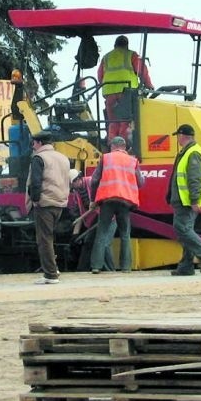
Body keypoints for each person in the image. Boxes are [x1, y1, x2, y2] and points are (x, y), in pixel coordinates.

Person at [166, 124, 201, 276]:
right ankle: (186, 266)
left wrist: (194, 200)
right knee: (185, 230)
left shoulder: (193, 153)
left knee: (182, 228)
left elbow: (194, 179)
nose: (177, 139)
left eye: (178, 136)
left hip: (186, 200)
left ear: (183, 135)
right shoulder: (187, 152)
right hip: (183, 199)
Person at [90, 136, 145, 273]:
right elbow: (141, 182)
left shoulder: (106, 158)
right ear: (124, 147)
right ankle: (126, 267)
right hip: (125, 201)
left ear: (113, 146)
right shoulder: (133, 161)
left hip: (108, 200)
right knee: (125, 234)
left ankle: (96, 266)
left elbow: (94, 180)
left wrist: (93, 200)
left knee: (102, 232)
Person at [25, 130, 70, 284]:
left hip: (45, 203)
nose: (33, 146)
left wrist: (35, 199)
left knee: (44, 239)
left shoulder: (39, 158)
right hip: (60, 202)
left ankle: (50, 274)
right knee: (50, 237)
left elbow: (35, 182)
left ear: (39, 143)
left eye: (34, 143)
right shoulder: (63, 158)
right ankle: (54, 268)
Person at [97, 35, 154, 143]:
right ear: (126, 45)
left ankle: (112, 144)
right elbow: (142, 71)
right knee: (125, 121)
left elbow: (100, 76)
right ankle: (124, 145)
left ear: (115, 45)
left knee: (113, 121)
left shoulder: (106, 57)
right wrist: (149, 85)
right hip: (127, 93)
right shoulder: (131, 55)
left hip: (110, 93)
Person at [68, 169, 115, 272]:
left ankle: (111, 270)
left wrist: (97, 204)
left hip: (107, 217)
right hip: (93, 219)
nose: (72, 187)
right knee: (88, 242)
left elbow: (105, 198)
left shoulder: (92, 182)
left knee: (104, 243)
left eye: (72, 184)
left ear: (78, 179)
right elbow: (79, 214)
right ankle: (82, 270)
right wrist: (75, 234)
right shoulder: (77, 192)